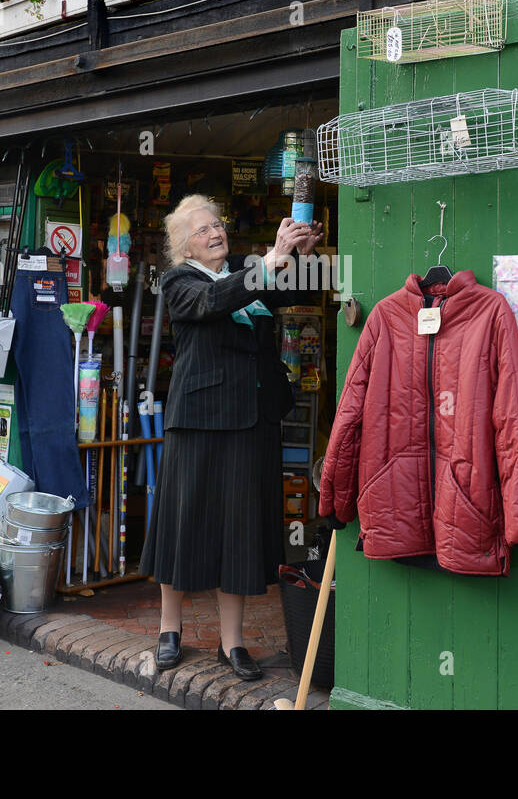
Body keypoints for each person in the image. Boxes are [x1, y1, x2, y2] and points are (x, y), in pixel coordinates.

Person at [140, 194, 323, 680]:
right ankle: (169, 630)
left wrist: (297, 254)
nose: (216, 232)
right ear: (185, 247)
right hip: (199, 418)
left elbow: (296, 291)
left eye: (218, 224)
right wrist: (269, 260)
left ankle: (232, 643)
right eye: (202, 230)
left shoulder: (247, 268)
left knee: (239, 531)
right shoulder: (180, 281)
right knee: (185, 523)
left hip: (253, 419)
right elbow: (212, 302)